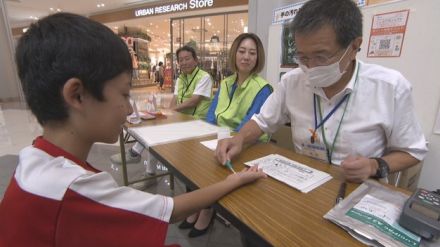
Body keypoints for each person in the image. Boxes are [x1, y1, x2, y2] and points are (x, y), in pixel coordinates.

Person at [0, 13, 266, 247]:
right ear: (77, 95)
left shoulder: (32, 160)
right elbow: (167, 210)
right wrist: (232, 181)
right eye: (124, 93)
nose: (129, 110)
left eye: (251, 52)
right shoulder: (76, 190)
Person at [216, 0, 428, 184]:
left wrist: (375, 165)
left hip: (355, 188)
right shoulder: (292, 82)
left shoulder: (389, 87)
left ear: (354, 47)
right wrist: (240, 139)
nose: (310, 67)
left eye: (321, 57)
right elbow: (263, 121)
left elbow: (413, 151)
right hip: (303, 181)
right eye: (303, 57)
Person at [180, 33, 273, 238]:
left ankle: (206, 209)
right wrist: (208, 138)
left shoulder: (263, 88)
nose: (246, 57)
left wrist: (226, 141)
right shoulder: (224, 83)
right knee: (193, 160)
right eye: (242, 51)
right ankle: (197, 203)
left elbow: (250, 124)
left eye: (252, 53)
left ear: (258, 58)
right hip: (221, 138)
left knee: (216, 165)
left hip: (250, 145)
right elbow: (212, 117)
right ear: (234, 54)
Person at [110, 46, 213, 176]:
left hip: (197, 122)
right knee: (157, 124)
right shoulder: (181, 78)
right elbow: (175, 99)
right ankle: (145, 166)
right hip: (182, 119)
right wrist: (167, 113)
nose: (184, 62)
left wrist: (169, 111)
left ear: (196, 60)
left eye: (187, 59)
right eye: (181, 60)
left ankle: (138, 158)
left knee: (158, 132)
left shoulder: (204, 77)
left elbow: (194, 101)